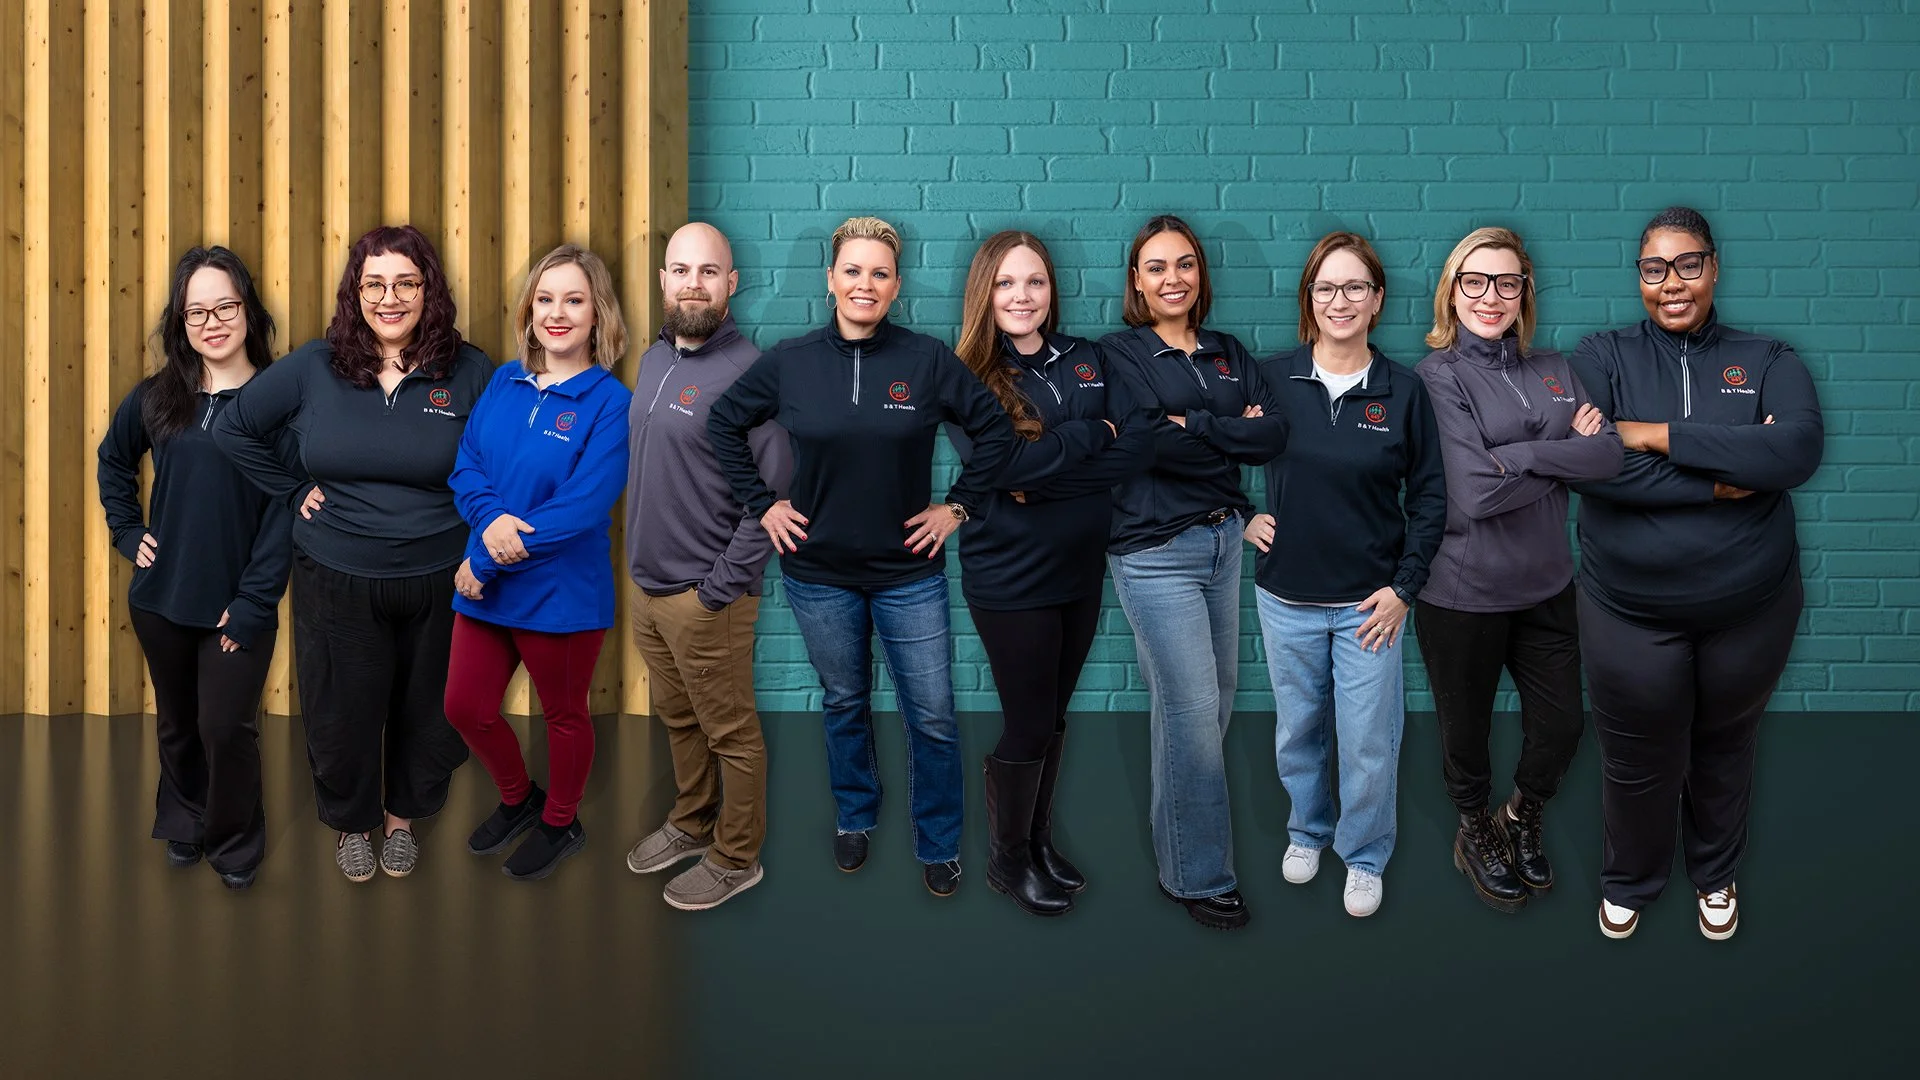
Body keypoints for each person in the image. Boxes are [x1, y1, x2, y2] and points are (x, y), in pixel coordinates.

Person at [707, 215, 1114, 898]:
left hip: (909, 575)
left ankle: (938, 840)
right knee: (844, 701)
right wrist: (763, 504)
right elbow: (724, 423)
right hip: (817, 575)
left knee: (930, 712)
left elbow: (992, 434)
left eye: (880, 273)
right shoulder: (790, 361)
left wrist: (957, 507)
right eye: (853, 271)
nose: (866, 283)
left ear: (896, 285)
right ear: (830, 280)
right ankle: (856, 816)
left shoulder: (926, 360)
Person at [1569, 207, 1823, 941]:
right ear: (1639, 278)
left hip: (1750, 607)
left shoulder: (1770, 358)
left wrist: (1651, 435)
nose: (1671, 283)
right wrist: (1721, 474)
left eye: (1687, 265)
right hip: (1627, 612)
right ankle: (1632, 880)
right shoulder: (1599, 356)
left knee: (1725, 742)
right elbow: (1587, 463)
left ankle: (1715, 873)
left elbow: (1795, 452)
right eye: (1654, 269)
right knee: (1636, 755)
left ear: (1714, 267)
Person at [214, 224, 492, 883]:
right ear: (354, 292)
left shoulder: (471, 369)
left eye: (405, 283)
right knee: (343, 713)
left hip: (440, 579)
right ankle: (352, 825)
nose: (389, 298)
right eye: (374, 284)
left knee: (430, 712)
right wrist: (292, 489)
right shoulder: (315, 366)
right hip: (335, 579)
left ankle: (402, 822)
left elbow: (503, 466)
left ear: (429, 291)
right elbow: (234, 427)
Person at [1412, 226, 1623, 915]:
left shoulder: (1558, 366)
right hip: (1463, 592)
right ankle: (1474, 827)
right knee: (1464, 734)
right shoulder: (1437, 376)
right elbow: (1473, 493)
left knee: (1563, 727)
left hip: (1549, 587)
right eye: (1475, 280)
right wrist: (1561, 451)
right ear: (1452, 290)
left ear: (1525, 291)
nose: (1491, 296)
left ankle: (1521, 813)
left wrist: (1521, 457)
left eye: (1507, 281)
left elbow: (1610, 460)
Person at [950, 230, 1152, 917]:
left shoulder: (1088, 358)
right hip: (1011, 576)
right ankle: (1007, 862)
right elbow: (1003, 469)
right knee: (1028, 720)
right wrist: (1094, 438)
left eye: (1034, 281)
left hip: (1078, 568)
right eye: (1006, 283)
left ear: (1051, 289)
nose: (1022, 296)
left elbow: (1140, 444)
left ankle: (1035, 841)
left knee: (1052, 716)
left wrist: (1054, 467)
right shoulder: (968, 376)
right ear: (985, 292)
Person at [1098, 214, 1289, 930]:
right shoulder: (1117, 355)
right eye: (1156, 267)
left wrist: (1198, 428)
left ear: (1199, 276)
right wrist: (1223, 430)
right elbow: (1144, 443)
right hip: (1153, 550)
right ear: (1136, 282)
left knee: (1209, 706)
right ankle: (1199, 876)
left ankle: (1181, 850)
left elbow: (1270, 436)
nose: (1171, 278)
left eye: (1184, 265)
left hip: (1222, 542)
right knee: (1190, 711)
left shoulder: (1227, 350)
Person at [1249, 232, 1446, 918]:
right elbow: (1202, 443)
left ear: (1378, 299)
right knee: (1297, 730)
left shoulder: (1404, 392)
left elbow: (1429, 499)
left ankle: (1363, 857)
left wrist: (1404, 589)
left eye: (1355, 287)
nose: (1341, 301)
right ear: (1309, 299)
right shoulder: (1269, 380)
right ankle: (1307, 830)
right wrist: (1236, 510)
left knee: (1367, 742)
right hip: (1285, 597)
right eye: (1327, 288)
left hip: (1370, 604)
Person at [97, 246, 293, 891]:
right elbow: (113, 460)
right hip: (161, 597)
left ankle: (235, 841)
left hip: (238, 604)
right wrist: (128, 530)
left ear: (249, 310)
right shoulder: (159, 397)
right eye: (195, 312)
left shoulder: (279, 403)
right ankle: (185, 819)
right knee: (178, 722)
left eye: (224, 306)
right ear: (181, 323)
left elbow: (286, 511)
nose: (212, 322)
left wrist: (255, 600)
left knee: (224, 726)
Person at [440, 244, 633, 882]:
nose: (557, 314)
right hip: (486, 585)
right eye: (545, 300)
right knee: (465, 707)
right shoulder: (502, 380)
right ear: (528, 311)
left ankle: (561, 820)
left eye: (574, 300)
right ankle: (519, 799)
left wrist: (486, 560)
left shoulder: (610, 402)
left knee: (564, 716)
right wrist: (487, 527)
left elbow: (579, 510)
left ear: (597, 314)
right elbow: (467, 466)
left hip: (559, 596)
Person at [623, 223, 791, 911]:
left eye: (709, 271)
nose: (693, 282)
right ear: (664, 280)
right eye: (681, 269)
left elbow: (775, 499)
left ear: (731, 284)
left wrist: (715, 591)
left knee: (732, 734)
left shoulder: (752, 377)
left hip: (706, 600)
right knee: (680, 720)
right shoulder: (653, 361)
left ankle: (736, 854)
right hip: (648, 590)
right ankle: (692, 823)